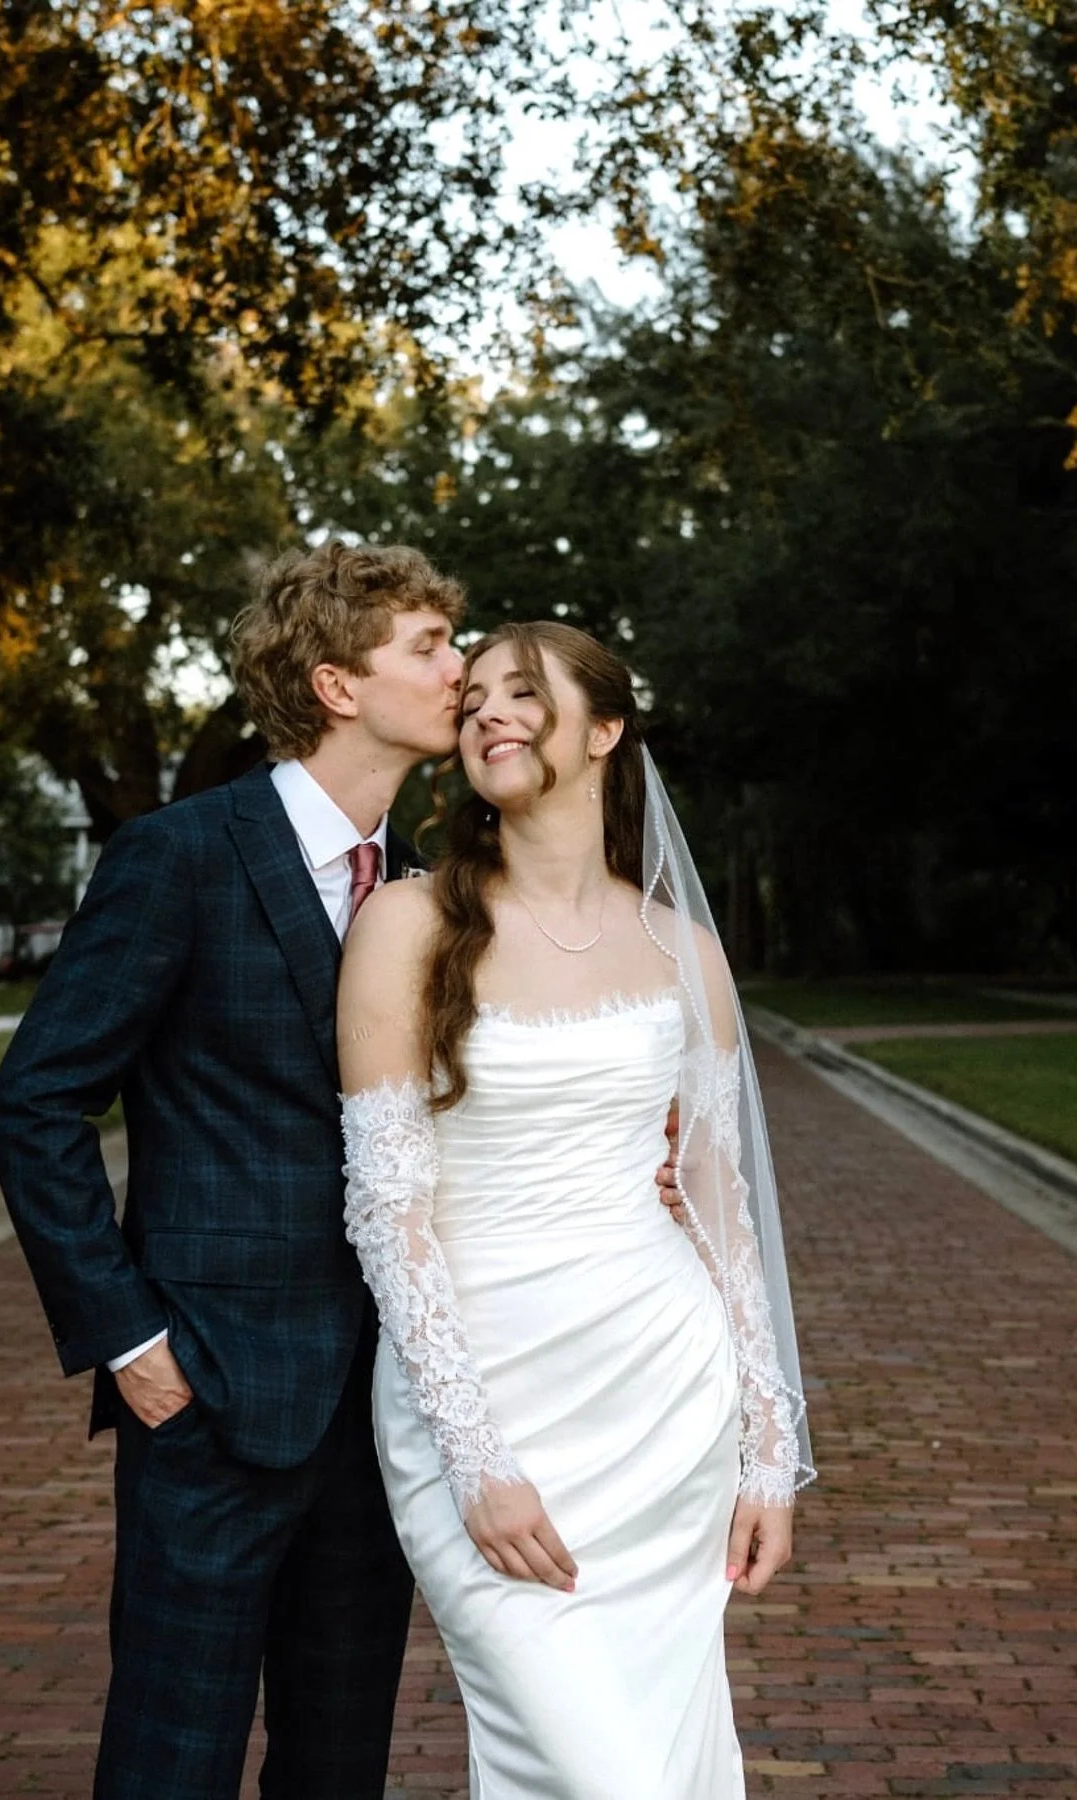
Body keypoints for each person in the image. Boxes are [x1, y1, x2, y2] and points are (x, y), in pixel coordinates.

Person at [0, 540, 468, 1800]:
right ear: (337, 683)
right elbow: (36, 1100)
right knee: (171, 1756)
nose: (461, 669)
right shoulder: (181, 856)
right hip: (206, 1393)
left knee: (338, 1759)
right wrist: (131, 1343)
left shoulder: (416, 888)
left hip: (381, 1412)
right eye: (429, 645)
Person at [338, 620, 815, 1799]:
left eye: (526, 692)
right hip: (484, 1401)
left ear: (605, 731)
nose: (489, 709)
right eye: (477, 694)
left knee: (660, 1759)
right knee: (587, 1766)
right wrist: (476, 1457)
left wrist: (770, 1450)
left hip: (662, 1397)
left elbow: (720, 1205)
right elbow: (385, 1213)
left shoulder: (682, 948)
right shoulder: (405, 926)